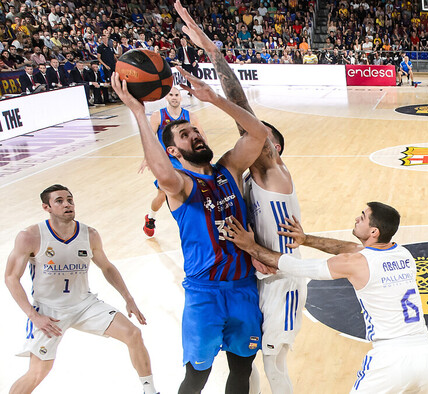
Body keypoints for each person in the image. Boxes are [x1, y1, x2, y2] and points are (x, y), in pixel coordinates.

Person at [111, 33, 270, 394]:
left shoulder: (228, 168)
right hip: (205, 293)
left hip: (244, 287)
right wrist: (139, 113)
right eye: (185, 135)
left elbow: (258, 134)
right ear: (173, 150)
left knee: (242, 373)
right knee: (196, 377)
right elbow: (160, 171)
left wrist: (214, 99)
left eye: (196, 130)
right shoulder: (179, 185)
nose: (195, 135)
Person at [174, 3, 304, 392]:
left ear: (274, 148)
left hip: (282, 277)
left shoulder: (273, 171)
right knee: (250, 369)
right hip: (254, 277)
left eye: (267, 139)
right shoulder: (241, 178)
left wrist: (214, 55)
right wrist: (249, 250)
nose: (259, 140)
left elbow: (244, 111)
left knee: (273, 363)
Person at [224, 202, 428, 393]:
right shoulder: (403, 254)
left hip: (391, 360)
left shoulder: (357, 263)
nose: (358, 218)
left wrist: (250, 246)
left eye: (363, 217)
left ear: (374, 231)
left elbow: (297, 267)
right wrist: (306, 239)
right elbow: (346, 248)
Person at [4, 184, 158, 394]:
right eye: (59, 201)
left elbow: (107, 267)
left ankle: (150, 390)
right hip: (49, 311)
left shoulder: (90, 234)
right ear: (46, 207)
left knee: (133, 334)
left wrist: (128, 298)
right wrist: (34, 316)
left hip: (85, 305)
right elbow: (11, 278)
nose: (67, 204)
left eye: (70, 199)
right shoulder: (30, 236)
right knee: (38, 372)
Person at [142, 86, 205, 237]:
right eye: (171, 95)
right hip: (165, 161)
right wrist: (147, 158)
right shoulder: (158, 116)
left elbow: (201, 135)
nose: (174, 97)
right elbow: (149, 138)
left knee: (193, 190)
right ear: (166, 97)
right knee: (163, 195)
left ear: (181, 97)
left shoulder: (190, 116)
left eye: (177, 95)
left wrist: (204, 155)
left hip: (185, 160)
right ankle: (151, 218)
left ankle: (194, 223)